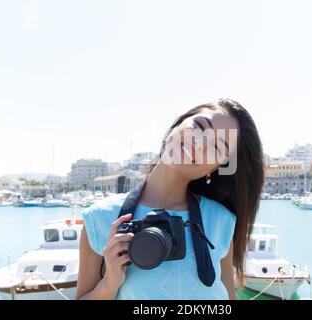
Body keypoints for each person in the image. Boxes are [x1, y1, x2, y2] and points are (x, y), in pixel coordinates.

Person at [76, 98, 265, 300]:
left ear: (215, 169)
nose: (200, 144)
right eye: (200, 126)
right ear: (178, 124)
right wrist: (109, 283)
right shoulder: (101, 218)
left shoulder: (221, 221)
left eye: (216, 148)